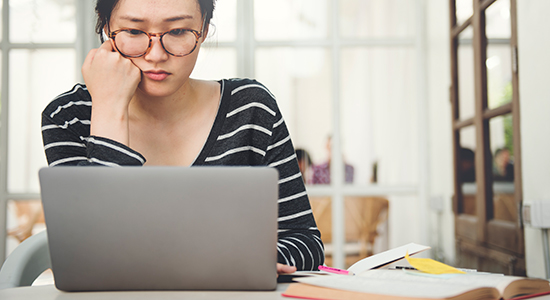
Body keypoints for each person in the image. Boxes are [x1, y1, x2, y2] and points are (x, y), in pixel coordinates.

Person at [41, 0, 324, 274]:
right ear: (107, 31)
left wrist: (242, 262)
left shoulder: (250, 109)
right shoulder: (68, 116)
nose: (155, 55)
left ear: (203, 30)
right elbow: (91, 256)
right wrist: (110, 108)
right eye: (134, 31)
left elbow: (306, 243)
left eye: (177, 31)